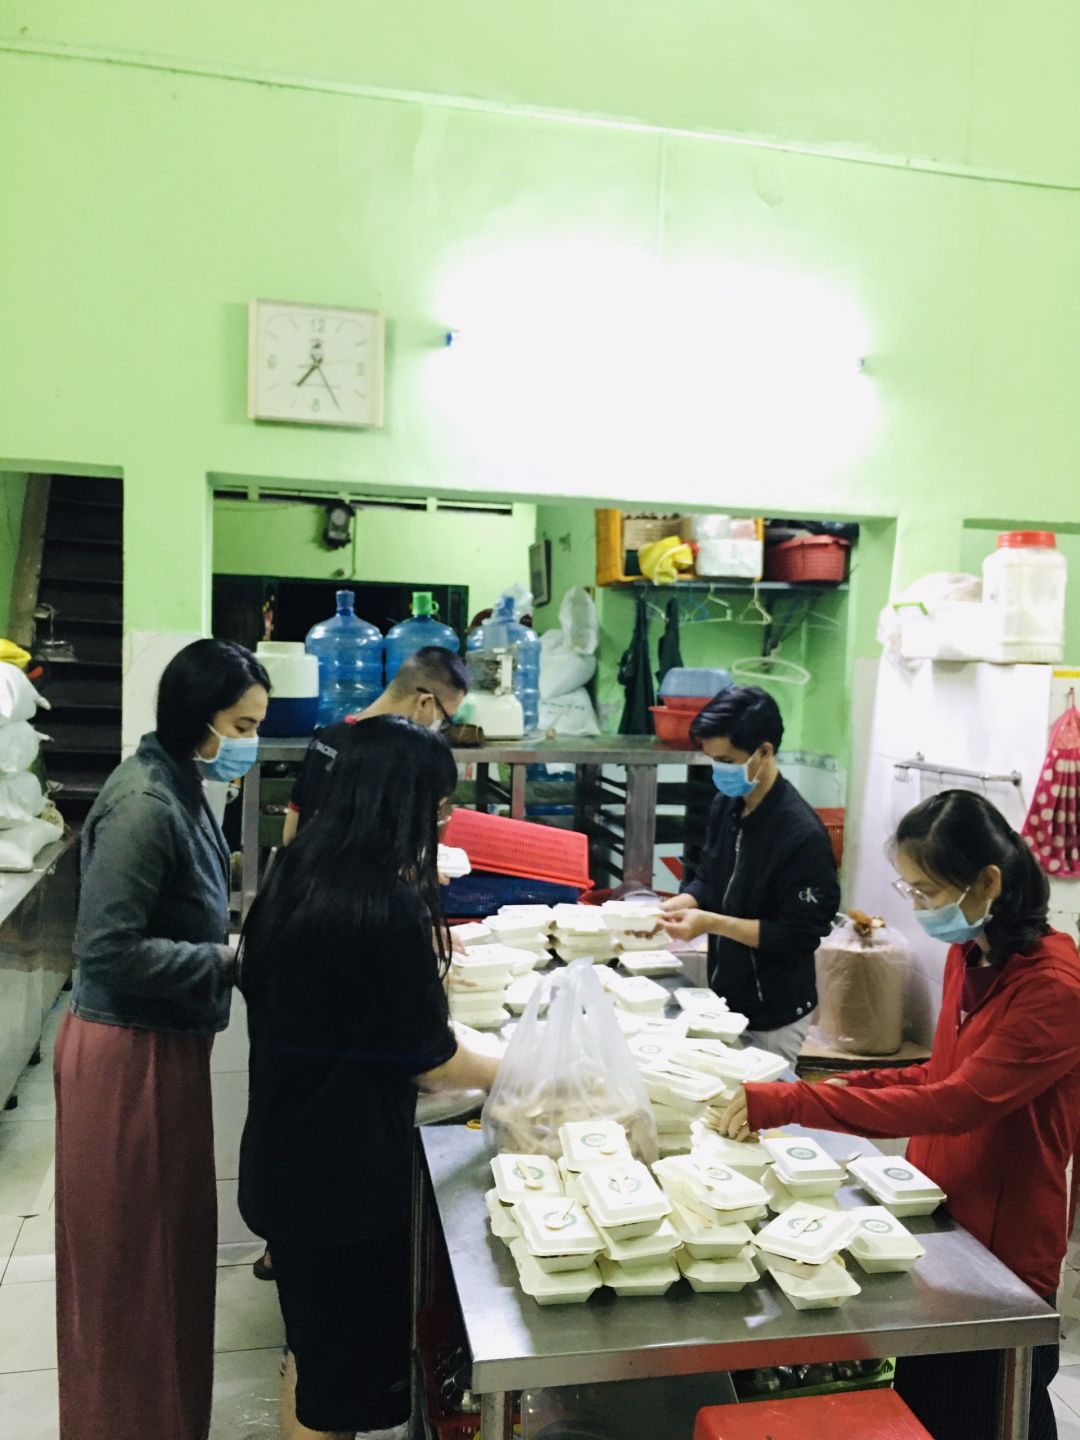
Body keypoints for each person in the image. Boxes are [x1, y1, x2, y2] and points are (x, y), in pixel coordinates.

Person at [719, 790, 1080, 1440]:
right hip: (939, 1216)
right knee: (930, 1405)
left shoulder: (1053, 988)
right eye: (911, 890)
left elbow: (953, 1103)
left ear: (988, 881)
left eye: (928, 892)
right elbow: (939, 1072)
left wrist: (795, 1101)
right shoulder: (971, 953)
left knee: (999, 1411)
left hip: (1003, 1251)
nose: (918, 908)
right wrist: (827, 1085)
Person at [237, 716, 501, 1440]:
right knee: (336, 1395)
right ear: (399, 803)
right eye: (438, 807)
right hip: (341, 1191)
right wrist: (527, 1067)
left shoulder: (302, 875)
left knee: (313, 1358)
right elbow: (432, 1060)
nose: (443, 822)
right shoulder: (378, 907)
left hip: (290, 1164)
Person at [54, 639, 270, 1440]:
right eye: (242, 726)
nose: (249, 742)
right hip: (126, 1056)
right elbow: (107, 950)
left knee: (169, 1259)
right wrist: (230, 960)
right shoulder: (144, 802)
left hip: (164, 1047)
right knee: (129, 1276)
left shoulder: (182, 782)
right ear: (197, 718)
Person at [659, 685, 839, 1066]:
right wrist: (678, 906)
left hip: (773, 1012)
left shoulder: (800, 835)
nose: (719, 771)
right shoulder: (727, 805)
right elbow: (709, 878)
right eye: (713, 761)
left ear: (765, 751)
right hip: (726, 997)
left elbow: (797, 935)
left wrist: (711, 923)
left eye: (727, 760)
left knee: (763, 1100)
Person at [282, 645, 468, 843]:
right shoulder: (400, 755)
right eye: (445, 717)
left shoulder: (327, 736)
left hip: (306, 861)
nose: (440, 726)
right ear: (425, 702)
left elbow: (290, 835)